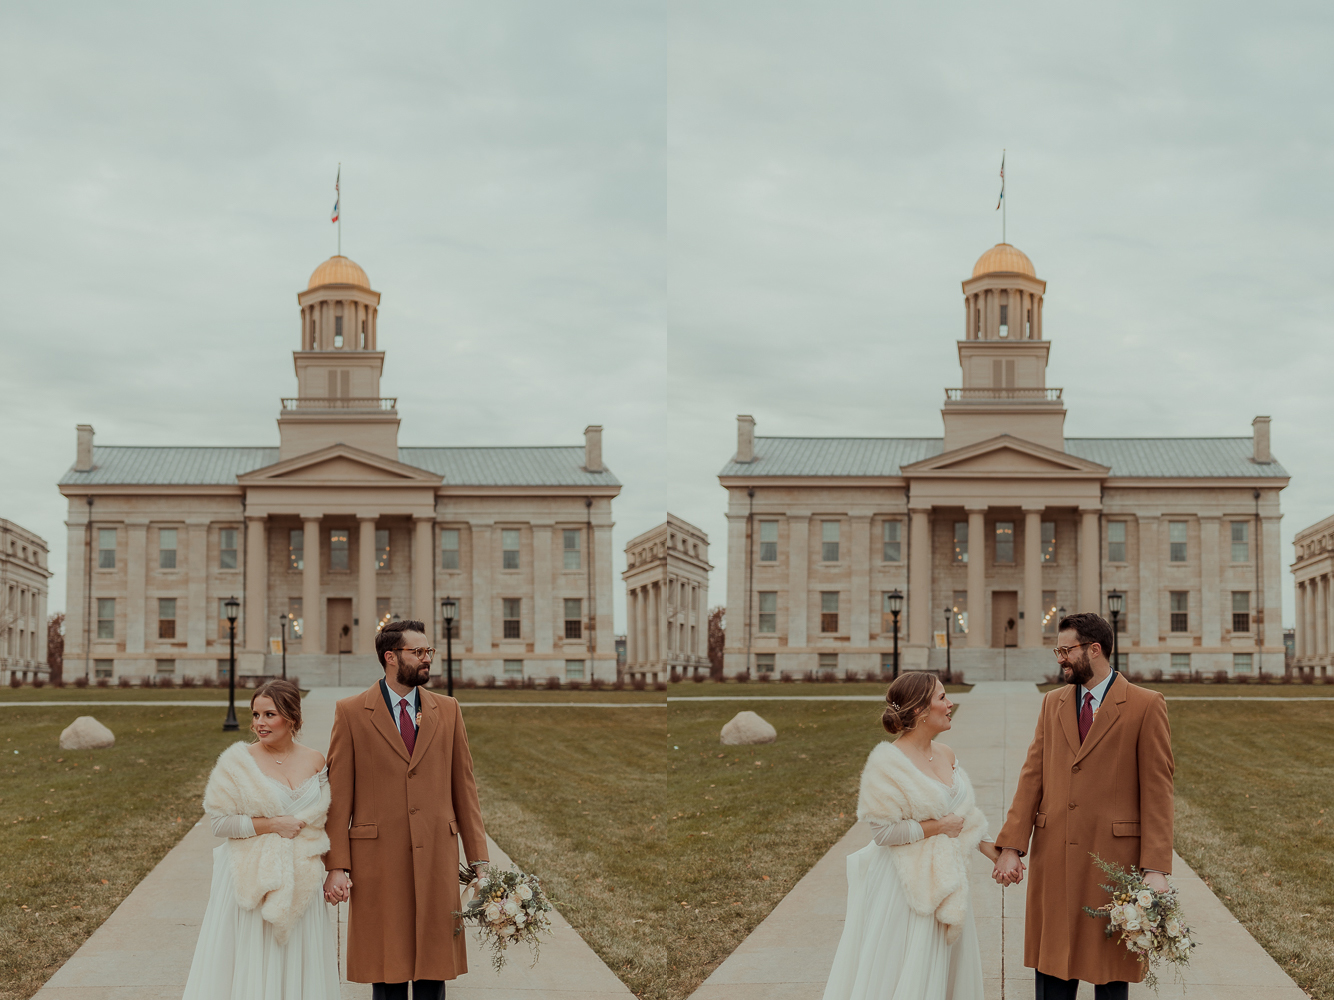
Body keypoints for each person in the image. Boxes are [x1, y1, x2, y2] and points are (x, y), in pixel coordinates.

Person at [992, 612, 1175, 1000]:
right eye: (1057, 649)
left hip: (1113, 861)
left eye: (1065, 649)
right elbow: (1032, 777)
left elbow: (1158, 792)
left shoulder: (1145, 705)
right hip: (1054, 858)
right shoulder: (1051, 703)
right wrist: (1010, 846)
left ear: (1094, 649)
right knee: (1054, 968)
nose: (1059, 657)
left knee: (1109, 973)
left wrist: (1155, 867)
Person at [322, 619, 489, 1000]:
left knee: (433, 969)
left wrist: (480, 861)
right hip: (378, 859)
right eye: (419, 652)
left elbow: (465, 790)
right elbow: (338, 798)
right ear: (391, 657)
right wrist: (336, 865)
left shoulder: (447, 710)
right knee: (389, 967)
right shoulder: (350, 712)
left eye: (429, 651)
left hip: (436, 855)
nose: (427, 659)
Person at [822, 671, 998, 1000]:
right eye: (942, 698)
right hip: (906, 887)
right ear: (919, 711)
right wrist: (938, 827)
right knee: (911, 972)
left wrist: (998, 854)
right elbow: (883, 832)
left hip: (949, 878)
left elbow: (965, 816)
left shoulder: (945, 753)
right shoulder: (886, 763)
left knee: (945, 974)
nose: (951, 704)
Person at [183, 679, 338, 999]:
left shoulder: (315, 760)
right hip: (252, 877)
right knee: (255, 961)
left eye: (269, 715)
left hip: (302, 876)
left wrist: (335, 869)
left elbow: (324, 820)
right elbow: (220, 823)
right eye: (255, 715)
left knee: (299, 959)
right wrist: (273, 824)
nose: (259, 724)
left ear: (291, 718)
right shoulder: (238, 761)